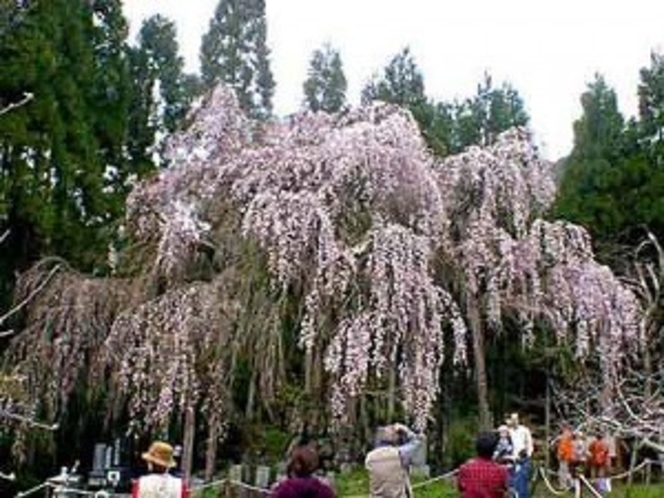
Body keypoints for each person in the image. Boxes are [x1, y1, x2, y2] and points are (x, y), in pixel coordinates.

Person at [365, 423, 422, 498]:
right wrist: (405, 429)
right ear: (395, 438)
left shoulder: (369, 457)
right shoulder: (399, 454)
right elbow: (417, 441)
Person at [458, 431, 509, 498]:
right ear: (494, 450)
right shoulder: (501, 470)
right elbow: (505, 490)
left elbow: (461, 489)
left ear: (476, 448)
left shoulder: (464, 468)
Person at [507, 413, 533, 498]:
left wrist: (528, 455)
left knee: (523, 481)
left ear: (519, 420)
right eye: (512, 419)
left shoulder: (525, 430)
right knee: (512, 481)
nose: (514, 421)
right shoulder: (509, 431)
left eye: (516, 419)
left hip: (523, 459)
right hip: (512, 459)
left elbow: (530, 444)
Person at [556, 425, 574, 489]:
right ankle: (571, 483)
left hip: (564, 456)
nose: (560, 428)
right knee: (566, 470)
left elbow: (563, 447)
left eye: (561, 427)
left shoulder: (565, 435)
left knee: (562, 471)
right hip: (567, 455)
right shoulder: (569, 435)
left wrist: (560, 455)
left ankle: (563, 485)